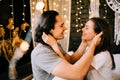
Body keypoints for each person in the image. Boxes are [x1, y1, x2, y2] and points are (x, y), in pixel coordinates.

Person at [31, 10, 102, 80]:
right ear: (50, 29)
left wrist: (83, 44)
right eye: (61, 25)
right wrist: (93, 45)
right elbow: (77, 75)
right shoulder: (42, 53)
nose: (65, 28)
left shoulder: (54, 44)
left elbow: (71, 60)